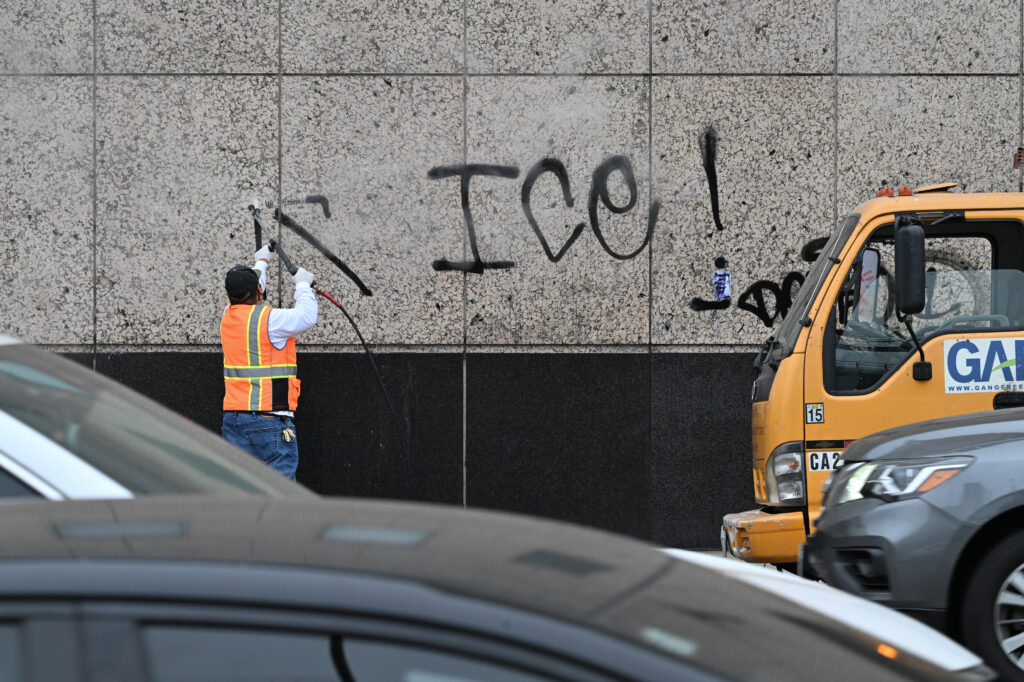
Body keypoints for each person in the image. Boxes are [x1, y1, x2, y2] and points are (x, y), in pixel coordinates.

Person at [219, 245, 318, 479]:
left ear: (229, 295)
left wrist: (262, 261)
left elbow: (253, 286)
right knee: (279, 491)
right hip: (268, 421)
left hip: (234, 420)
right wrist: (303, 285)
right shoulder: (270, 320)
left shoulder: (227, 316)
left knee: (241, 488)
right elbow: (306, 316)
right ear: (258, 290)